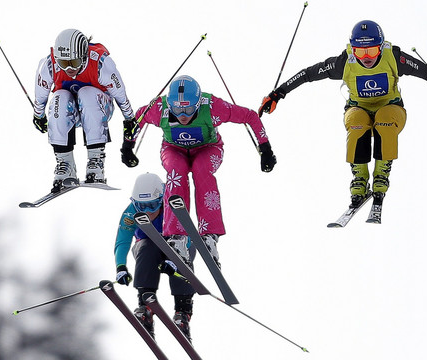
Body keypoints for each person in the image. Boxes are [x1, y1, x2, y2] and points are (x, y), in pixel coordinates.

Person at [259, 20, 427, 209]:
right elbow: (308, 74)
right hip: (359, 109)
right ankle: (359, 179)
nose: (367, 58)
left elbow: (426, 72)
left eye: (372, 51)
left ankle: (381, 175)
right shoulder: (345, 62)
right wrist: (278, 94)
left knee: (385, 119)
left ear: (381, 47)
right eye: (361, 52)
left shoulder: (394, 57)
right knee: (356, 122)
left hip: (391, 108)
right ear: (353, 49)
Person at [121, 75, 277, 267]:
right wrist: (127, 147)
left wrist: (265, 149)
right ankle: (177, 237)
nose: (183, 115)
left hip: (208, 148)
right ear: (170, 105)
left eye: (188, 109)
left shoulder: (212, 107)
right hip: (173, 149)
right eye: (177, 109)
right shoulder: (160, 109)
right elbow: (137, 118)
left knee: (201, 171)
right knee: (176, 173)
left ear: (198, 104)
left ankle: (209, 235)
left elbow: (250, 116)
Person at [33, 28, 136, 193]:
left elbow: (121, 96)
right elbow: (40, 95)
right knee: (59, 96)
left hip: (99, 107)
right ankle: (65, 164)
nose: (68, 69)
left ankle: (96, 161)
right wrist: (39, 116)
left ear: (84, 56)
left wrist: (129, 120)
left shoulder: (101, 64)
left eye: (73, 63)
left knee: (86, 92)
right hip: (69, 112)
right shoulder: (49, 65)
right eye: (63, 63)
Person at [114, 172, 195, 340]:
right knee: (147, 246)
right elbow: (122, 240)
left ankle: (183, 312)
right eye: (141, 207)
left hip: (178, 247)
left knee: (176, 250)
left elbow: (188, 237)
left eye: (151, 205)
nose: (147, 212)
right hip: (148, 251)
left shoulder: (172, 206)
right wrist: (120, 266)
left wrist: (176, 257)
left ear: (161, 200)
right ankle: (145, 307)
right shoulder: (130, 213)